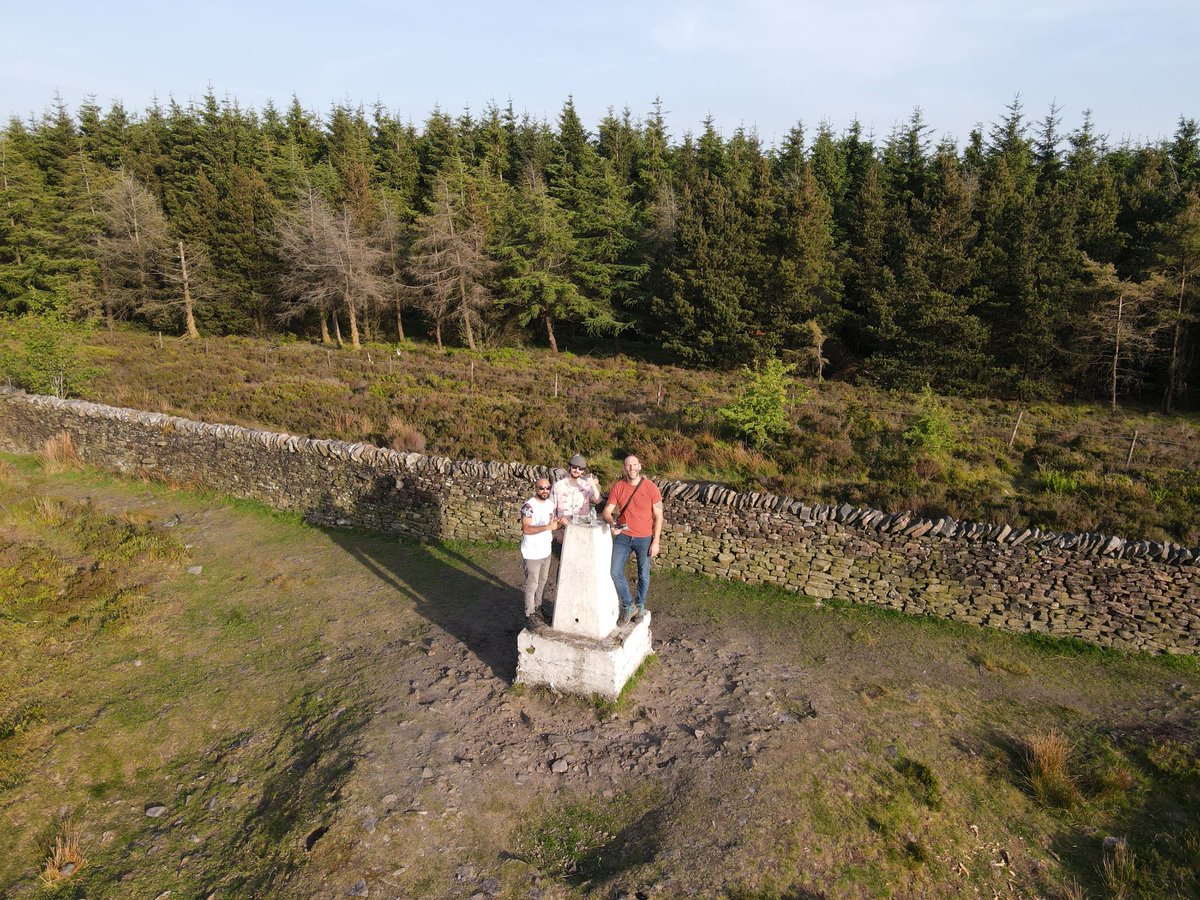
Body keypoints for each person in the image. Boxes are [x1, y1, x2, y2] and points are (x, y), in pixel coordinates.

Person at [602, 455, 663, 625]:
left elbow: (659, 516)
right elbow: (607, 511)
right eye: (628, 465)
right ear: (624, 467)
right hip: (623, 536)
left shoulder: (651, 488)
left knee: (643, 573)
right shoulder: (619, 487)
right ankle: (629, 605)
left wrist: (655, 541)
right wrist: (612, 522)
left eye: (634, 464)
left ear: (640, 467)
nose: (632, 468)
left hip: (645, 538)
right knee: (614, 571)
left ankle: (641, 604)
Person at [520, 478, 565, 628]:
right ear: (535, 488)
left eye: (547, 488)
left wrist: (560, 524)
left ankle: (538, 608)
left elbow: (553, 524)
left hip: (546, 551)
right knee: (531, 584)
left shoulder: (550, 505)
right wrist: (547, 527)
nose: (544, 491)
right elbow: (526, 529)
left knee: (542, 582)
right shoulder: (528, 506)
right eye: (541, 488)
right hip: (532, 552)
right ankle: (529, 614)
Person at [551, 454, 601, 532]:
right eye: (574, 467)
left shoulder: (586, 486)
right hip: (563, 528)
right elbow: (551, 509)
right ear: (570, 467)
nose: (577, 470)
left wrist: (593, 485)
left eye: (580, 469)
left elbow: (597, 500)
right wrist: (558, 524)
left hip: (583, 528)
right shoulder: (558, 486)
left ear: (583, 471)